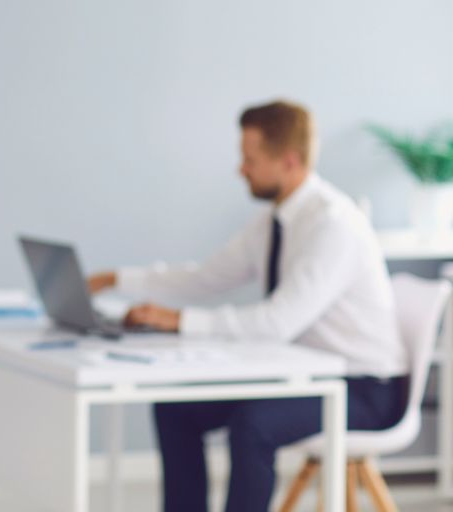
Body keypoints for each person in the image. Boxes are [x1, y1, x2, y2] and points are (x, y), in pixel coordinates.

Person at [87, 100, 407, 512]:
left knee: (254, 424)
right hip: (299, 372)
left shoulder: (333, 225)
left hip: (362, 388)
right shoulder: (272, 221)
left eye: (250, 159)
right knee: (176, 411)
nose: (241, 169)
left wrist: (179, 321)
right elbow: (206, 276)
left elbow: (277, 323)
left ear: (289, 161)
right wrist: (118, 279)